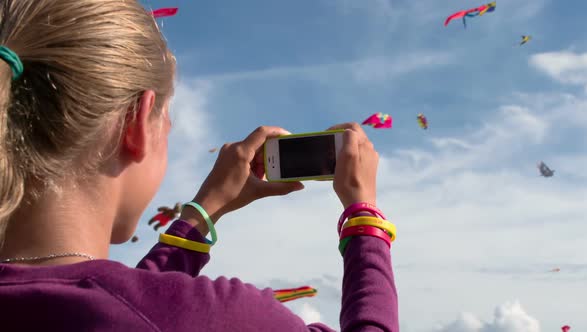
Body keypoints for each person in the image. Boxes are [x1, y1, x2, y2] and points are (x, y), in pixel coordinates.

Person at [0, 0, 398, 331]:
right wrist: (364, 217)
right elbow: (142, 308)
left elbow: (127, 305)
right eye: (167, 123)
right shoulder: (222, 315)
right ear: (136, 123)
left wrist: (204, 211)